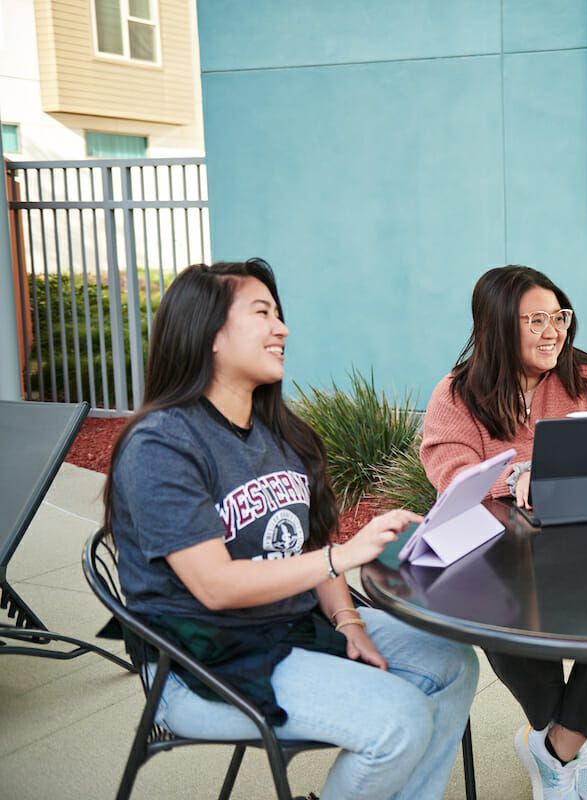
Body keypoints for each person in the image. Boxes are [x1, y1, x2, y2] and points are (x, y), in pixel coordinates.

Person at [103, 259, 478, 800]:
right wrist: (342, 559)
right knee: (401, 722)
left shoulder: (281, 433)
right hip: (202, 665)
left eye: (279, 315)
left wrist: (347, 619)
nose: (282, 329)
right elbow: (216, 585)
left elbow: (309, 543)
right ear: (207, 332)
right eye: (262, 313)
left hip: (289, 632)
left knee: (451, 661)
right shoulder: (163, 444)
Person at [421, 265, 587, 800]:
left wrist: (556, 472)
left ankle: (557, 745)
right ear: (498, 327)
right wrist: (516, 475)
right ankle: (560, 740)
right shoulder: (457, 394)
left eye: (558, 316)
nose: (553, 331)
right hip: (502, 556)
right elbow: (451, 470)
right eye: (536, 320)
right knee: (499, 605)